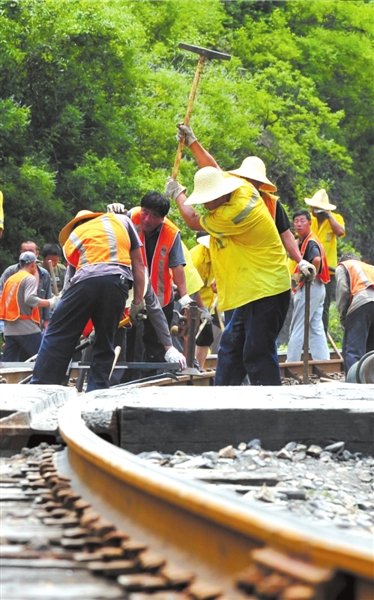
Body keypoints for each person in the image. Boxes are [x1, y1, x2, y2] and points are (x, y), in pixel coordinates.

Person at [166, 166, 291, 386]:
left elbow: (193, 219)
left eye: (208, 199)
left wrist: (178, 194)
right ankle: (221, 397)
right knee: (231, 349)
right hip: (248, 290)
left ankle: (272, 404)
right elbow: (213, 166)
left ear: (223, 195)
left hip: (267, 289)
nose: (205, 205)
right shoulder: (243, 188)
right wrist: (193, 143)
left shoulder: (233, 214)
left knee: (257, 351)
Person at [30, 210, 146, 391]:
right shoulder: (122, 221)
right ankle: (96, 391)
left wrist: (62, 317)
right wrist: (138, 302)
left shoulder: (75, 237)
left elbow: (71, 283)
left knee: (57, 336)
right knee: (105, 340)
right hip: (118, 281)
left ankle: (42, 387)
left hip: (85, 282)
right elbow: (139, 264)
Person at [128, 192, 192, 364]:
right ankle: (125, 380)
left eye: (154, 216)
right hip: (130, 295)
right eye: (145, 212)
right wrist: (114, 215)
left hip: (160, 297)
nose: (147, 219)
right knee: (128, 341)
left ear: (162, 219)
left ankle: (153, 382)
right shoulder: (128, 219)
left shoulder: (171, 234)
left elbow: (177, 266)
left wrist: (185, 297)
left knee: (156, 347)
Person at [286, 210, 330, 362]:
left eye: (302, 221)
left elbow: (316, 259)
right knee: (315, 326)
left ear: (310, 223)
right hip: (318, 288)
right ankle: (323, 361)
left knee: (297, 326)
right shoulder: (304, 240)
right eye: (296, 221)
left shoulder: (311, 242)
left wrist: (310, 277)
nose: (298, 224)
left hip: (311, 288)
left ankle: (291, 362)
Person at [0, 252, 58, 361]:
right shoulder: (29, 278)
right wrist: (50, 302)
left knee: (9, 364)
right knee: (45, 358)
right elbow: (30, 299)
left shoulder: (10, 279)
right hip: (26, 328)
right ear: (32, 264)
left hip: (10, 329)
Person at [305, 188, 345, 332]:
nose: (315, 211)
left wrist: (328, 216)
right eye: (314, 208)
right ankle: (308, 335)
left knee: (324, 305)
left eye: (318, 209)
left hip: (328, 272)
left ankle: (322, 332)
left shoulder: (335, 219)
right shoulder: (309, 220)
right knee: (306, 303)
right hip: (309, 269)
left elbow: (340, 232)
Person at [335, 255, 374, 374]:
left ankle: (354, 383)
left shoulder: (344, 266)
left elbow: (343, 290)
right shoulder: (370, 267)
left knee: (353, 349)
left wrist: (343, 316)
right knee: (371, 349)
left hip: (362, 301)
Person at [0, 240, 52, 330]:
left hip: (36, 322)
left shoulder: (44, 274)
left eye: (31, 251)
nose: (28, 253)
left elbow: (48, 296)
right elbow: (1, 292)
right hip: (13, 321)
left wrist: (47, 320)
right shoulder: (10, 272)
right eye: (25, 251)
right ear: (20, 253)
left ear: (37, 253)